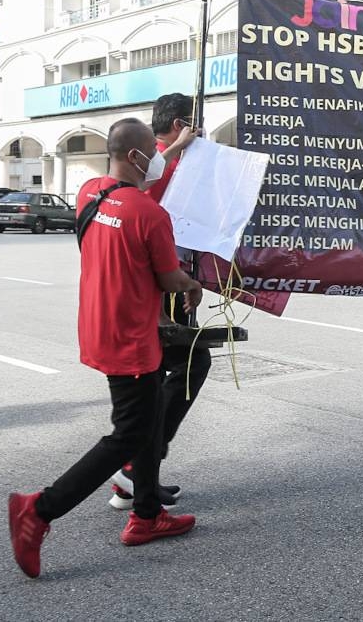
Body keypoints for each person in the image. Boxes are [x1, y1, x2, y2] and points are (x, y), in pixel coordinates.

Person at [8, 118, 204, 579]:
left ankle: (148, 513)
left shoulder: (91, 193)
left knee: (153, 414)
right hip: (132, 338)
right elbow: (169, 278)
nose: (159, 157)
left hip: (100, 326)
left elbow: (132, 207)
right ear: (138, 156)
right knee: (129, 435)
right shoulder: (150, 215)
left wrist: (174, 148)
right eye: (153, 152)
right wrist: (192, 284)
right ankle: (38, 511)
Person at [108, 93, 212, 511]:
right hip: (161, 284)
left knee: (165, 376)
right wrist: (179, 147)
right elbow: (145, 180)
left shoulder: (169, 160)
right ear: (179, 124)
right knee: (189, 365)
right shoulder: (155, 166)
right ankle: (134, 469)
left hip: (166, 278)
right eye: (193, 124)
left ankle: (137, 478)